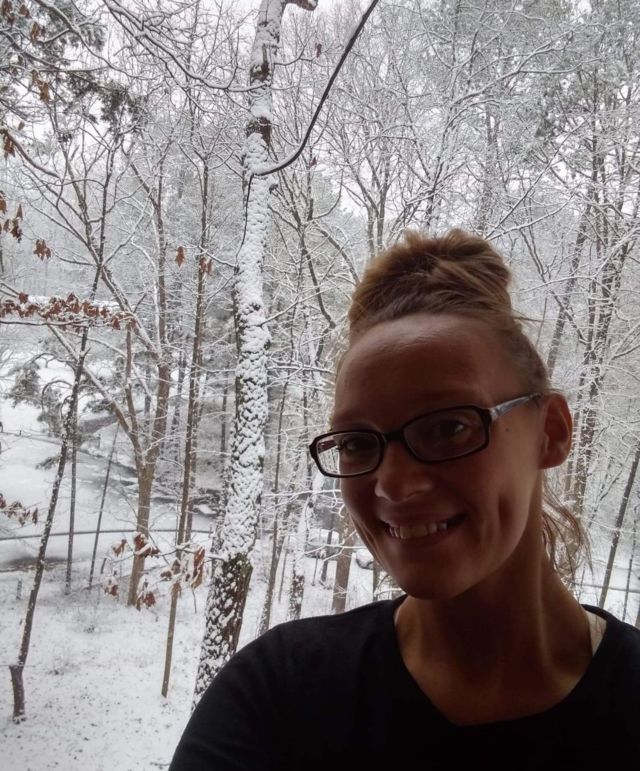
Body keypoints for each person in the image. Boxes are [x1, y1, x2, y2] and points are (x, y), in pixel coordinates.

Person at [170, 230, 640, 770]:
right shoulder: (279, 693)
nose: (393, 485)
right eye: (356, 443)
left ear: (551, 432)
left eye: (447, 428)